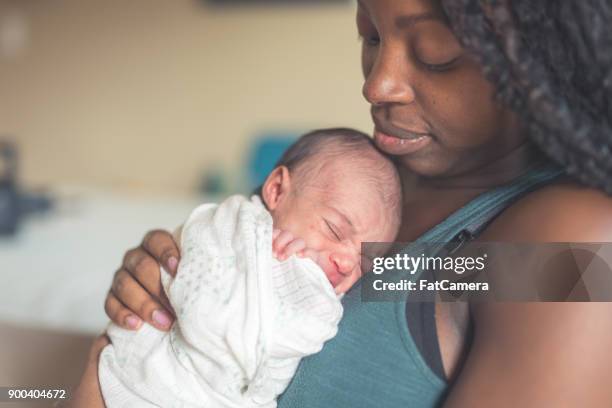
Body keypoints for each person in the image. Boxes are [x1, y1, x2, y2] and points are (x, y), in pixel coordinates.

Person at [81, 0, 612, 406]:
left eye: (434, 53)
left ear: (540, 60)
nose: (377, 85)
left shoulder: (569, 241)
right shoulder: (364, 182)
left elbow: (435, 277)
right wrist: (162, 278)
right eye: (370, 36)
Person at [80, 129, 401, 407]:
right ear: (276, 191)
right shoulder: (238, 227)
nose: (347, 263)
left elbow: (301, 336)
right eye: (333, 229)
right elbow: (206, 312)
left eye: (366, 262)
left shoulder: (438, 273)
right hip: (137, 380)